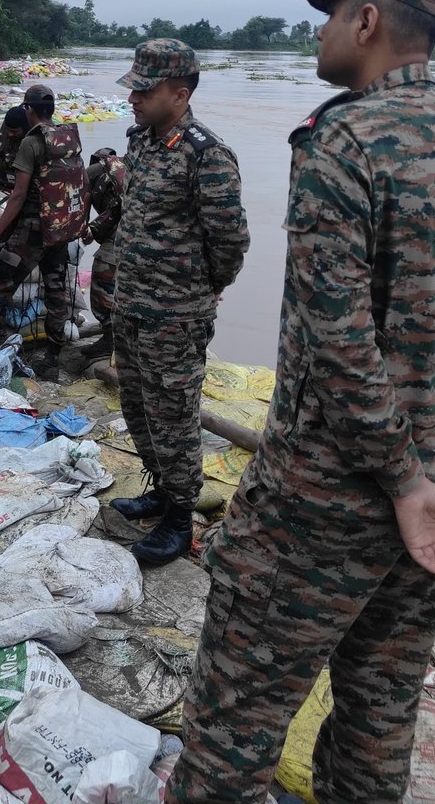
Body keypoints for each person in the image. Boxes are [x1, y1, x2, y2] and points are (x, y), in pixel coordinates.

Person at [165, 0, 435, 804]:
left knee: (237, 717)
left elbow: (337, 344)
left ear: (366, 21)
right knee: (380, 712)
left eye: (330, 13)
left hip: (330, 500)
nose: (323, 30)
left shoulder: (343, 141)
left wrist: (400, 478)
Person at [110, 39, 249, 565]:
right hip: (132, 304)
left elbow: (230, 241)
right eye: (133, 88)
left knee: (173, 414)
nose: (133, 99)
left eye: (144, 91)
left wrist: (203, 291)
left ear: (180, 93)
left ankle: (180, 516)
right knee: (137, 406)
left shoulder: (207, 155)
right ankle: (162, 490)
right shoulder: (142, 142)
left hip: (176, 315)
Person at [0, 83, 89, 381]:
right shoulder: (68, 136)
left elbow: (17, 196)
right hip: (60, 231)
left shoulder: (32, 142)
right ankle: (52, 359)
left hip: (31, 233)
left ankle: (3, 352)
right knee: (57, 295)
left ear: (28, 110)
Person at [81, 146, 125, 360]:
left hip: (121, 238)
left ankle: (111, 340)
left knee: (102, 289)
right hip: (137, 239)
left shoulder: (103, 178)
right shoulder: (127, 171)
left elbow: (116, 211)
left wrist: (92, 229)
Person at [0, 105, 28, 191]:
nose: (10, 134)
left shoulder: (31, 142)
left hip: (22, 192)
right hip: (1, 188)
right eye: (8, 130)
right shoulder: (0, 137)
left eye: (15, 132)